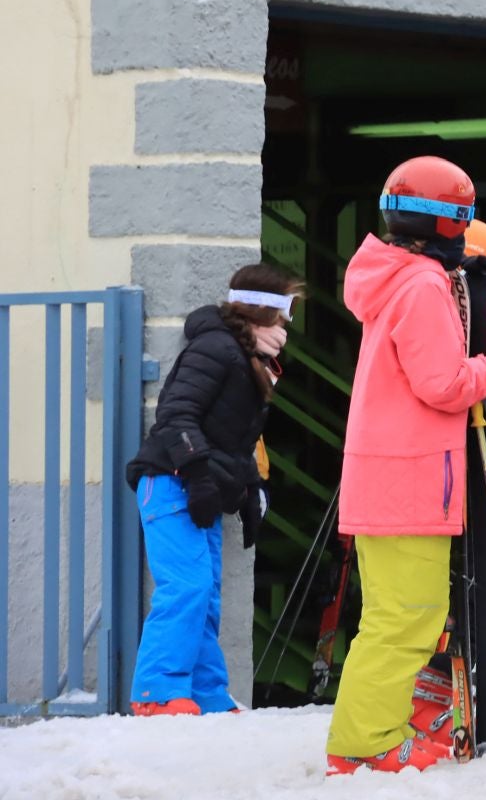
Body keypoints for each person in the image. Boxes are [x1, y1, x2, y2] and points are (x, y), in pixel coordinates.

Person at [327, 157, 486, 775]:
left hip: (389, 472)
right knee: (405, 617)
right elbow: (441, 382)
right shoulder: (421, 287)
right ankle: (368, 742)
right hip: (410, 476)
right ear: (450, 224)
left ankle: (370, 736)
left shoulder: (392, 278)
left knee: (396, 613)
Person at [126, 263, 301, 716]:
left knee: (205, 590)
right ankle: (157, 691)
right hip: (170, 482)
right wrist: (199, 475)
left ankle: (205, 692)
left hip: (198, 486)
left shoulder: (249, 359)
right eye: (285, 315)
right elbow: (175, 415)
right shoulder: (216, 348)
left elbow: (234, 436)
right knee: (186, 586)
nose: (287, 326)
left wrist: (250, 489)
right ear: (264, 312)